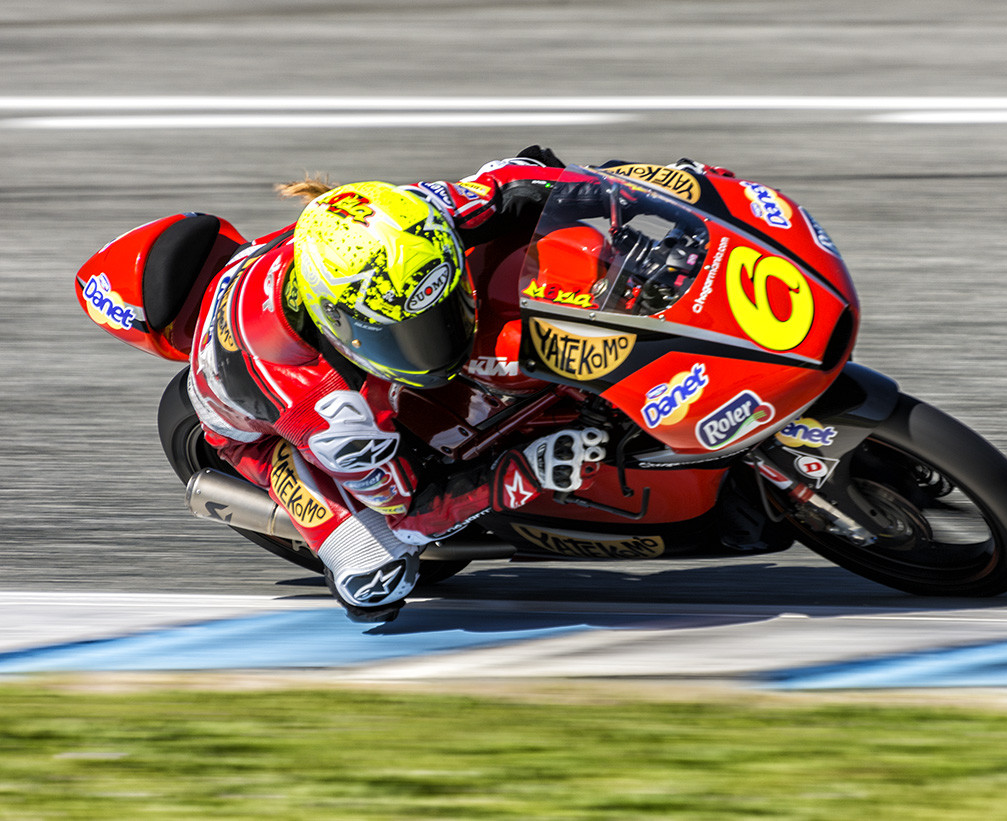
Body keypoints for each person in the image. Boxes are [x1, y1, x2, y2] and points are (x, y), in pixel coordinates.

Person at [187, 147, 730, 622]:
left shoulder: (419, 219)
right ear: (341, 326)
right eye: (409, 334)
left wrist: (656, 189)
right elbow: (409, 512)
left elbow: (515, 180)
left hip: (314, 276)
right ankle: (331, 530)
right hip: (257, 431)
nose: (439, 338)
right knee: (377, 572)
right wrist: (521, 471)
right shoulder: (328, 410)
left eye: (443, 312)